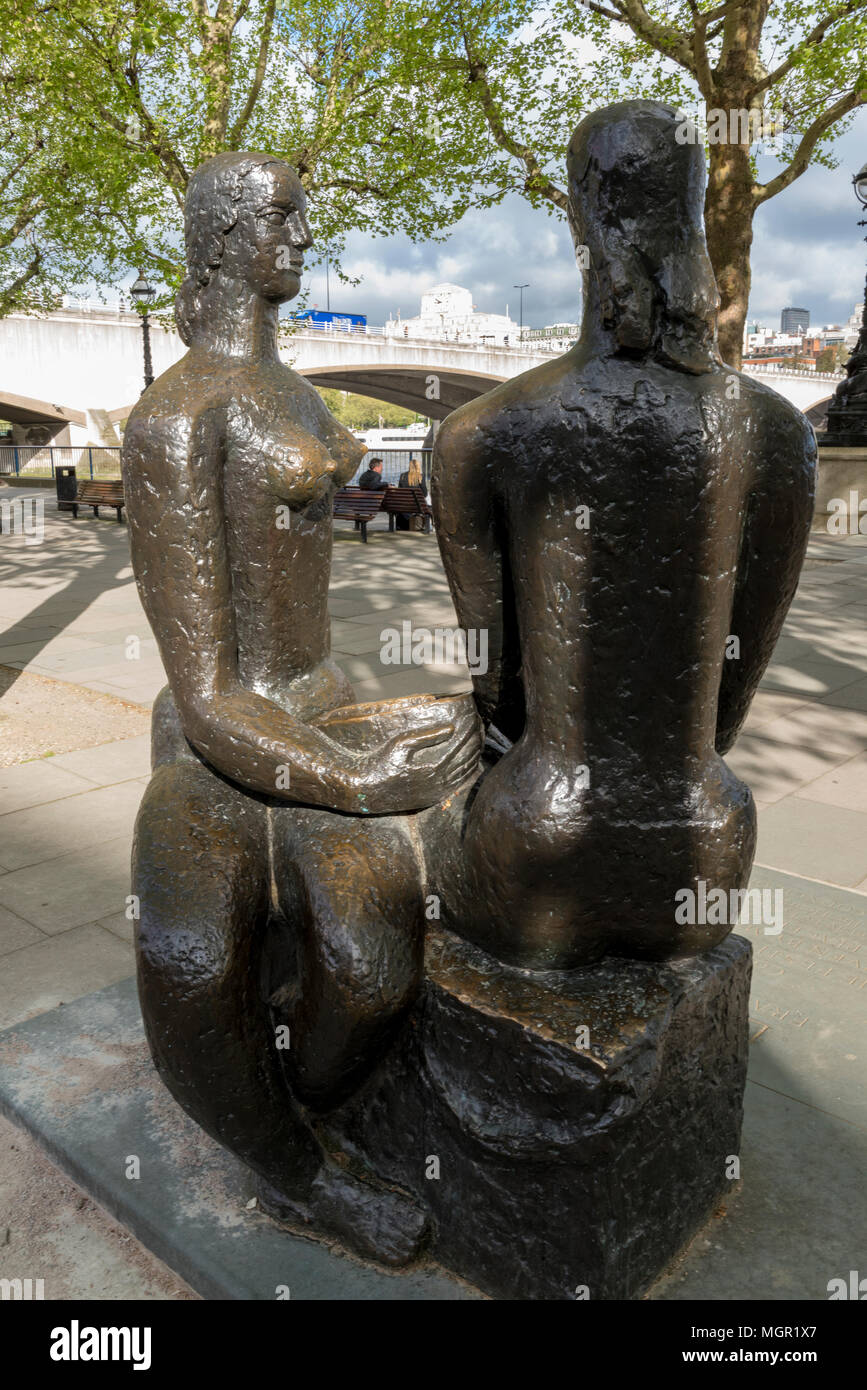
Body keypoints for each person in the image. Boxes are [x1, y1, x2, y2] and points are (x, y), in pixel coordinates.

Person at [122, 151, 480, 1268]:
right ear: (223, 234)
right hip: (219, 750)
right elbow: (212, 690)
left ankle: (301, 1103)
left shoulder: (297, 394)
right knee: (187, 963)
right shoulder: (176, 418)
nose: (301, 234)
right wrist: (358, 782)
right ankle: (294, 1170)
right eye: (282, 216)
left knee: (373, 968)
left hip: (320, 713)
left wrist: (372, 744)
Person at [426, 101, 815, 971]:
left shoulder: (479, 433)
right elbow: (731, 690)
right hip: (704, 839)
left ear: (580, 212)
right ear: (689, 208)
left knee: (397, 845)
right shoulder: (774, 432)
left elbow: (496, 679)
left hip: (543, 832)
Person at [395, 455, 426, 531]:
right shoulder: (420, 477)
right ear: (418, 466)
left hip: (404, 505)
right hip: (416, 505)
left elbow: (399, 491)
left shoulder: (402, 476)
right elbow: (425, 493)